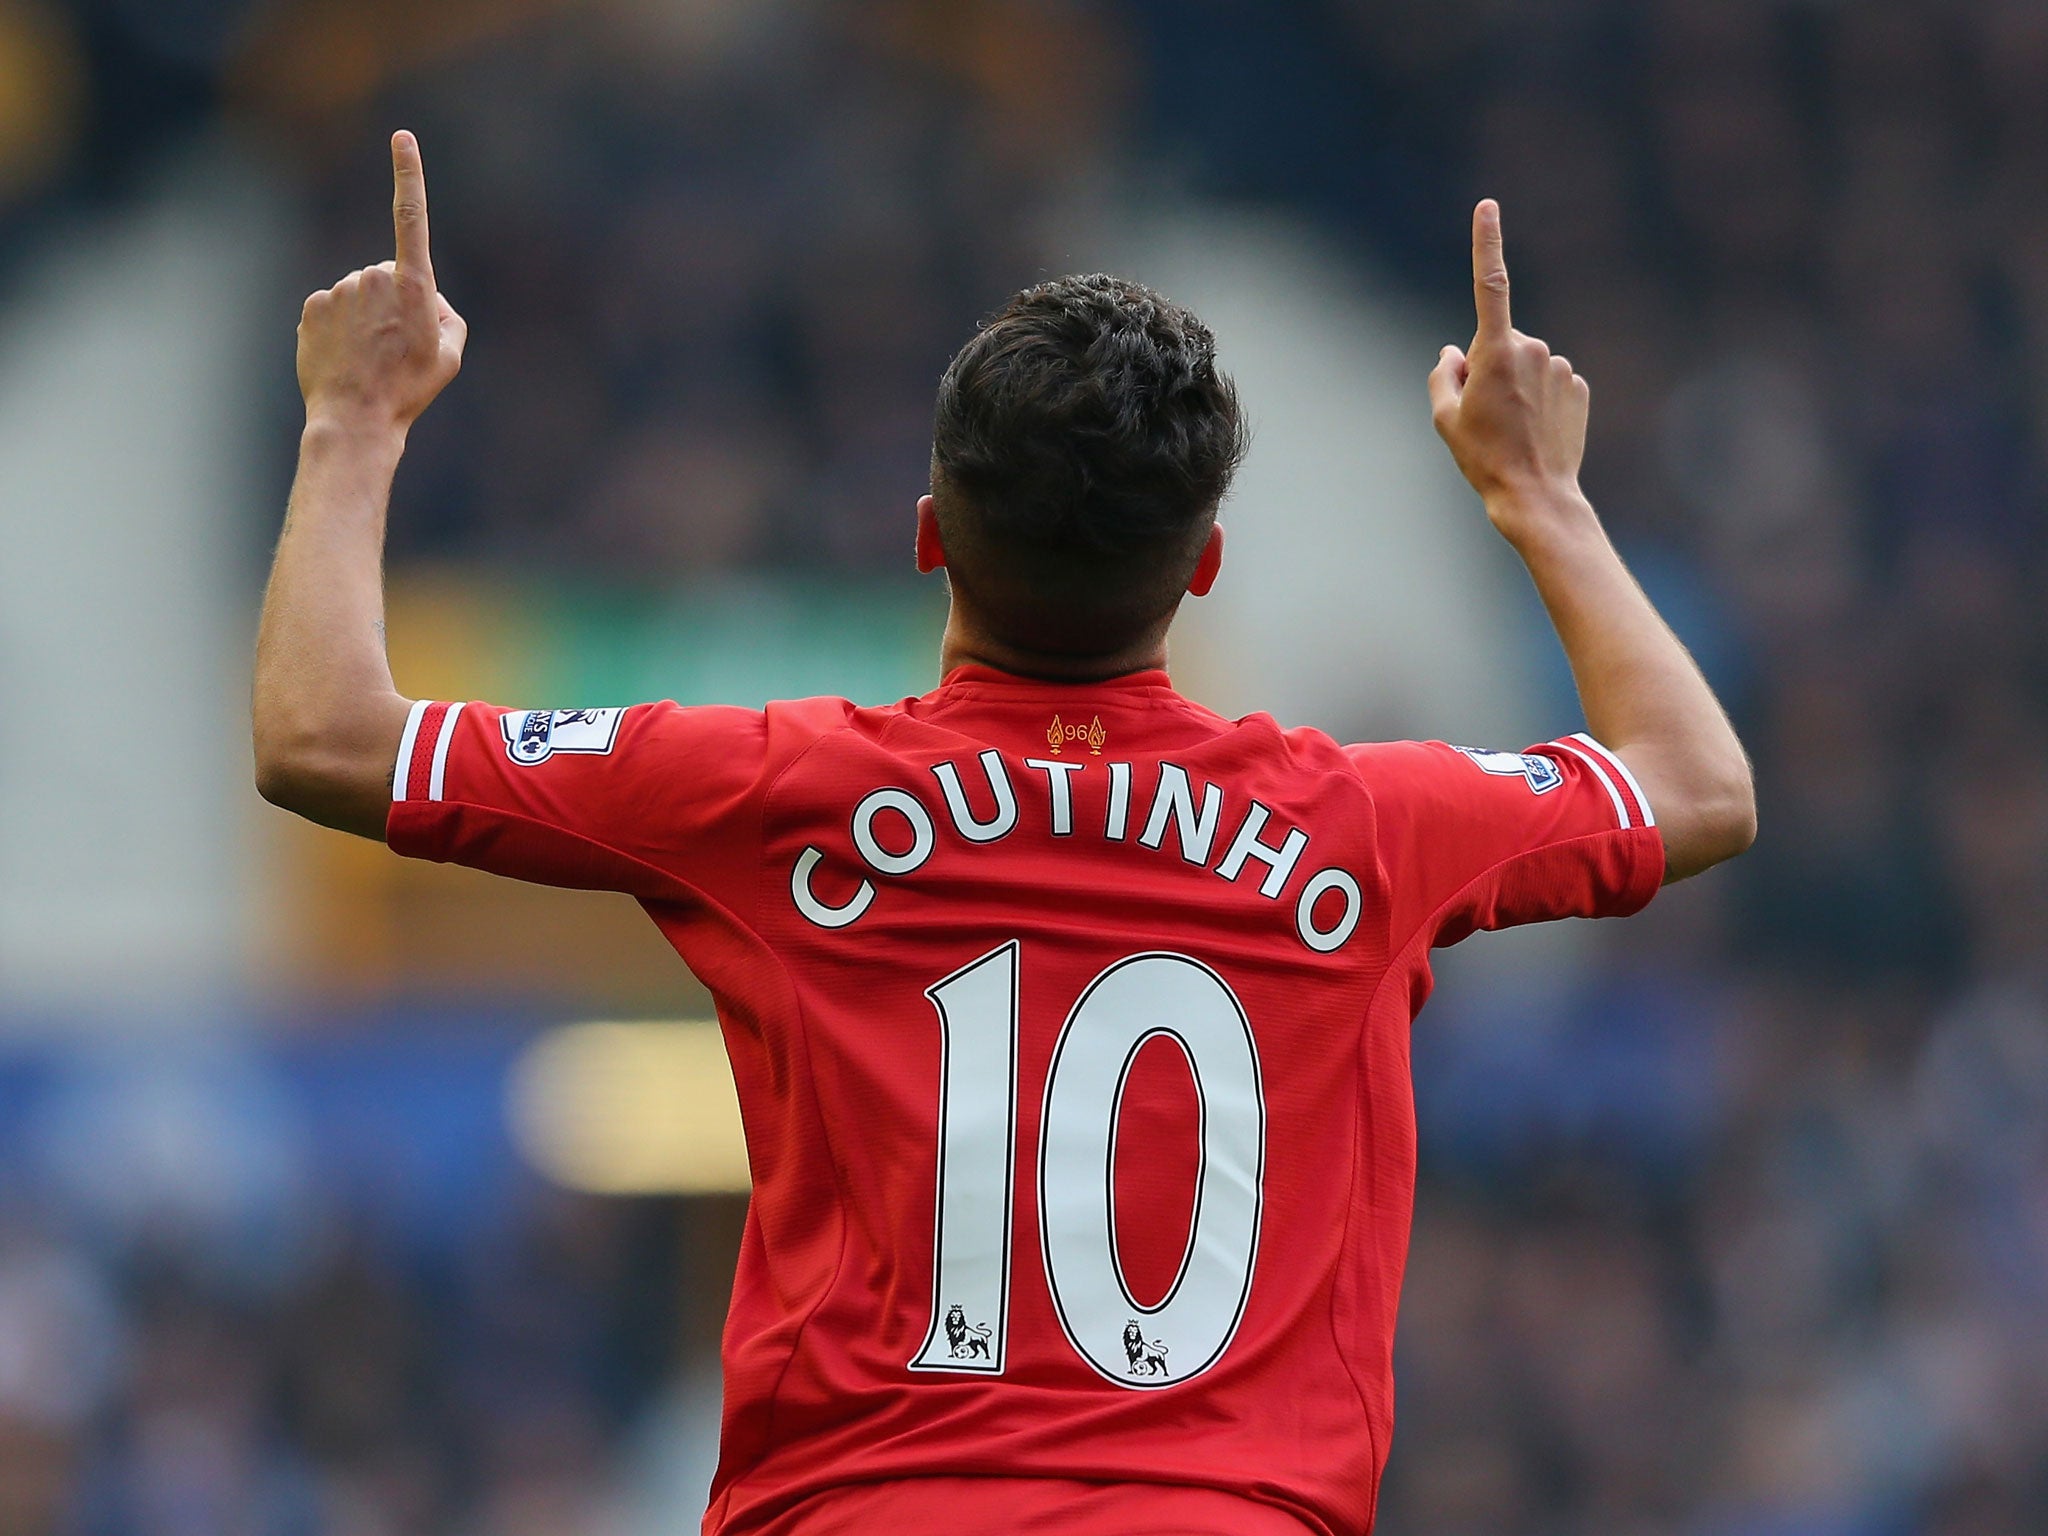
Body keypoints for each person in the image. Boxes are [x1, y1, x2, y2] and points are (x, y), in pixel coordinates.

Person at [254, 132, 1755, 1536]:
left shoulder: (780, 796)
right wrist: (1539, 496)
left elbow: (323, 737)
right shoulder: (1362, 828)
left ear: (929, 535)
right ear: (1206, 565)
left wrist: (350, 423)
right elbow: (1695, 788)